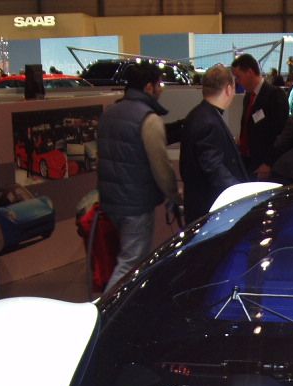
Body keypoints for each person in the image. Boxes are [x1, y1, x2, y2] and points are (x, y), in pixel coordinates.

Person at [97, 61, 180, 291]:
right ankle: (105, 314)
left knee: (127, 257)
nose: (161, 89)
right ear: (149, 87)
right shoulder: (148, 119)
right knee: (131, 261)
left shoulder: (110, 113)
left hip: (112, 200)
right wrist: (173, 194)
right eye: (159, 83)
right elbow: (160, 166)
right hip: (136, 203)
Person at [180, 64, 247, 224]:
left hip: (201, 205)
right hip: (210, 209)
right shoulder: (209, 121)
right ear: (229, 89)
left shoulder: (199, 114)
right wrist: (241, 195)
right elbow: (214, 168)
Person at [231, 53, 288, 181]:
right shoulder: (248, 97)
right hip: (248, 161)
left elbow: (281, 134)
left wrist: (269, 163)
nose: (237, 82)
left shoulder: (275, 95)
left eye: (238, 77)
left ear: (250, 72)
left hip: (266, 165)